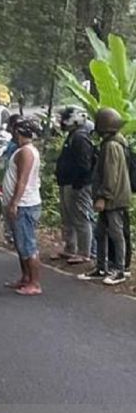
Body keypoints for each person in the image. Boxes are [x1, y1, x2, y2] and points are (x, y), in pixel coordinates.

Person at [80, 108, 131, 285]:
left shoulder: (111, 146)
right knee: (101, 233)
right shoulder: (114, 143)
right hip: (112, 197)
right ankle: (102, 267)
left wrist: (103, 196)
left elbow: (111, 175)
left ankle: (120, 270)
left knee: (116, 234)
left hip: (113, 199)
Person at [3, 117, 43, 296]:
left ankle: (34, 282)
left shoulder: (26, 152)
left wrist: (14, 203)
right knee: (21, 244)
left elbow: (22, 181)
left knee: (27, 245)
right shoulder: (25, 150)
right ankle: (25, 277)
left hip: (25, 204)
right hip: (23, 203)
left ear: (18, 132)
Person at [54, 106, 95, 265]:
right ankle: (70, 247)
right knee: (68, 217)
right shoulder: (73, 135)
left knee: (81, 217)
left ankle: (84, 252)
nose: (62, 121)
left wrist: (79, 183)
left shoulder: (80, 137)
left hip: (77, 185)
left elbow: (85, 165)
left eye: (65, 118)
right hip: (68, 182)